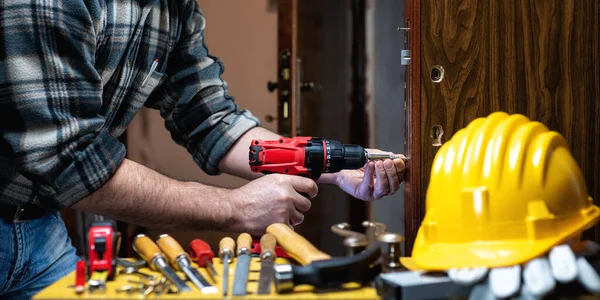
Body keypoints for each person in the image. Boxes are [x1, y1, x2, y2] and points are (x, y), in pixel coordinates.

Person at [0, 0, 406, 298]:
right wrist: (235, 209)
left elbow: (211, 120)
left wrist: (335, 168)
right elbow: (69, 163)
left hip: (38, 227)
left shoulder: (171, 8)